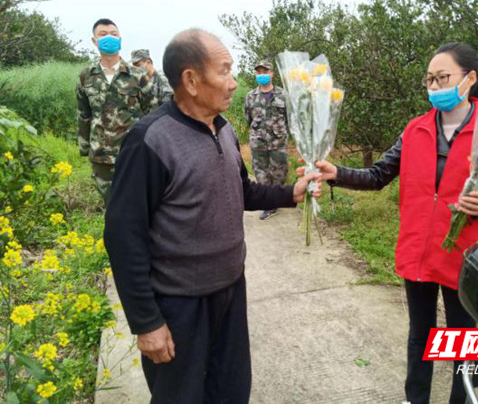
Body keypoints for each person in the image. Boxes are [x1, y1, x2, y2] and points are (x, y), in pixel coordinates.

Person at [104, 28, 322, 404]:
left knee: (230, 390)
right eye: (224, 71)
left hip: (230, 291)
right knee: (183, 396)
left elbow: (242, 191)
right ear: (190, 80)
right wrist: (146, 322)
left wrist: (291, 193)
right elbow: (124, 236)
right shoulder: (150, 141)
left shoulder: (222, 129)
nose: (234, 83)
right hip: (178, 304)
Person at [298, 42, 478, 404]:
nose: (435, 87)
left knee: (463, 339)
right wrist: (337, 173)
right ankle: (415, 398)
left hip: (467, 252)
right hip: (419, 247)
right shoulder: (416, 129)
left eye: (443, 78)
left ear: (470, 78)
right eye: (430, 80)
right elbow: (378, 174)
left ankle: (463, 400)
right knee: (421, 333)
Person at [76, 18, 158, 206]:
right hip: (101, 155)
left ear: (120, 38)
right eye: (103, 35)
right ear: (94, 41)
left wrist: (153, 149)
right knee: (111, 207)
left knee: (137, 204)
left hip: (133, 153)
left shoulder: (137, 75)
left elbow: (153, 114)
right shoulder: (86, 76)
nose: (109, 38)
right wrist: (85, 148)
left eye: (114, 34)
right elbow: (83, 115)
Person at [244, 60, 289, 220]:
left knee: (280, 173)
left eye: (265, 71)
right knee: (261, 173)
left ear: (272, 74)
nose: (262, 74)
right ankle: (268, 204)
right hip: (258, 142)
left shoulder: (283, 95)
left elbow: (289, 119)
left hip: (278, 142)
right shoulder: (250, 96)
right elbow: (248, 119)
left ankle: (276, 200)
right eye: (259, 72)